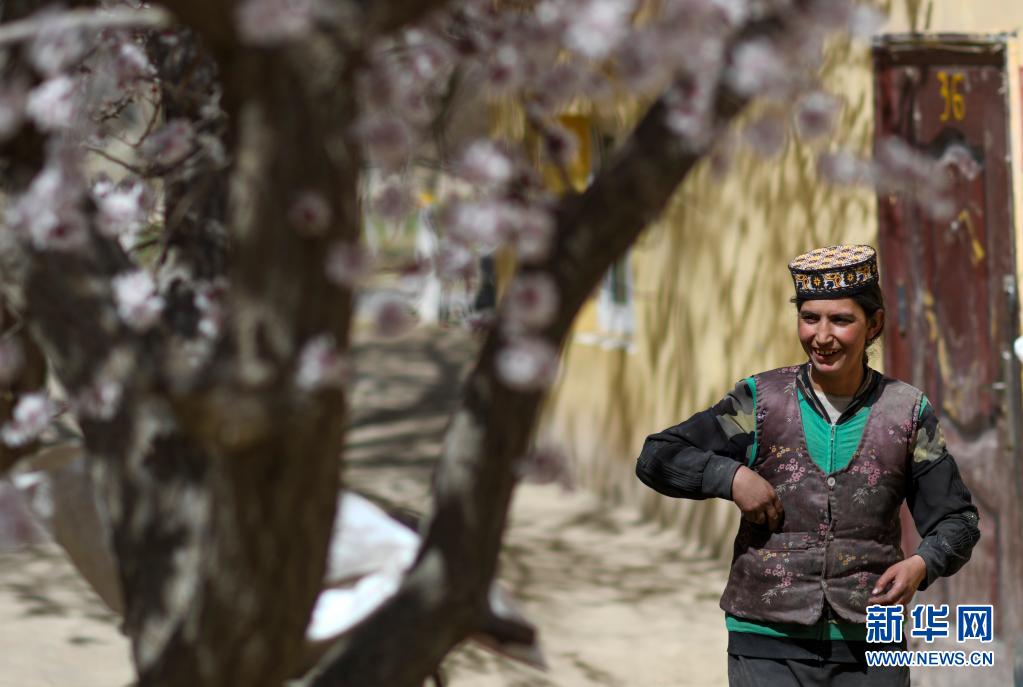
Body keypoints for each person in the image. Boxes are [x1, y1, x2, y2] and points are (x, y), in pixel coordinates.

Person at [635, 245, 981, 686]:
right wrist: (731, 476)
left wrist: (922, 565)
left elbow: (958, 520)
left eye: (841, 320)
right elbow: (657, 456)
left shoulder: (907, 412)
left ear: (874, 324)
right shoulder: (759, 401)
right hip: (765, 640)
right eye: (810, 317)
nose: (822, 336)